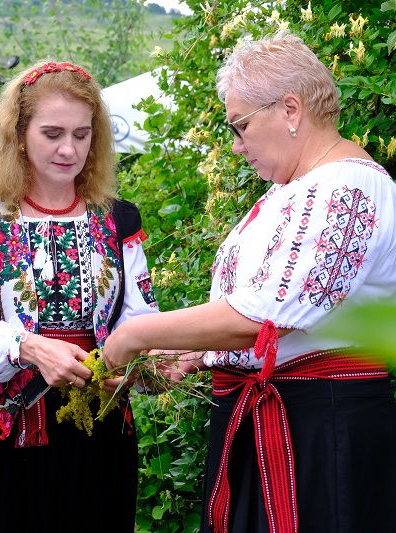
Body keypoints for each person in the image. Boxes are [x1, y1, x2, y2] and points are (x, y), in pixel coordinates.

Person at [102, 30, 396, 533]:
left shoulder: (350, 184)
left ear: (290, 109)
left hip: (317, 429)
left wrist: (133, 334)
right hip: (276, 420)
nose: (237, 146)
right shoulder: (294, 188)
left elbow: (266, 317)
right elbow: (258, 311)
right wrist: (197, 355)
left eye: (240, 126)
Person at [0, 59, 159, 532]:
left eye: (82, 134)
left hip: (100, 428)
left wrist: (130, 367)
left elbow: (141, 318)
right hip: (11, 434)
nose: (69, 149)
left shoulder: (119, 219)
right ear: (19, 135)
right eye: (53, 133)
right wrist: (31, 348)